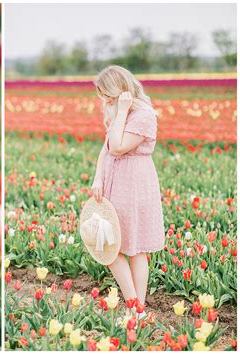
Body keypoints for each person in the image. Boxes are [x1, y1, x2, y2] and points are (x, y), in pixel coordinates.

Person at [91, 65, 165, 318]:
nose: (104, 101)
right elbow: (106, 148)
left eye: (106, 95)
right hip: (114, 180)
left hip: (134, 183)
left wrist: (121, 111)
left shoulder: (143, 115)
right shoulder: (117, 110)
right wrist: (97, 177)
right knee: (109, 246)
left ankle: (136, 307)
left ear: (119, 90)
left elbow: (118, 147)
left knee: (135, 247)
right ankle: (135, 306)